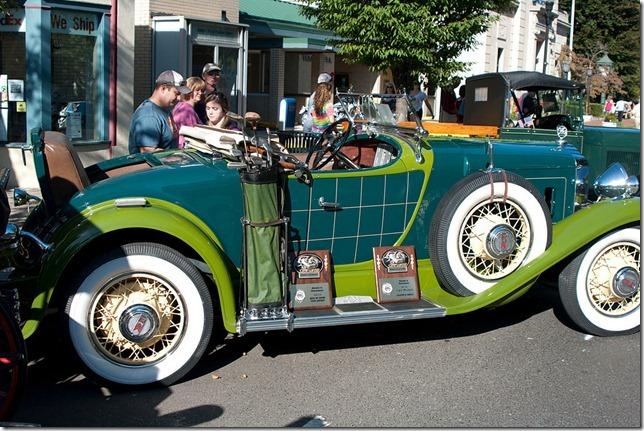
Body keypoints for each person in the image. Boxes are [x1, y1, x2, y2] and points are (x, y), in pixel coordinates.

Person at [128, 70, 191, 154]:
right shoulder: (149, 115)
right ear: (163, 88)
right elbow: (148, 153)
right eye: (176, 93)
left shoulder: (164, 109)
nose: (179, 98)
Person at [172, 77, 206, 148]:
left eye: (202, 90)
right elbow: (193, 135)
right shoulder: (187, 110)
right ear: (189, 91)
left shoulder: (180, 105)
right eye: (197, 90)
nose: (200, 93)